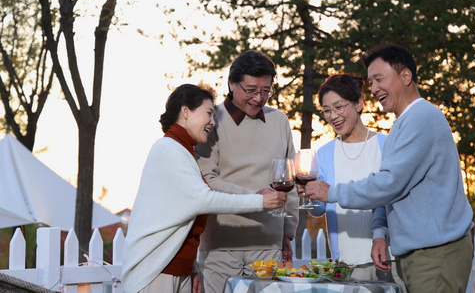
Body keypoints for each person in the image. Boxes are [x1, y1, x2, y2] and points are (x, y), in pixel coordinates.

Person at [304, 43, 474, 293]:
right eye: (371, 82)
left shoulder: (420, 119)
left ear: (406, 76)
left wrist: (331, 192)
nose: (373, 88)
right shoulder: (405, 123)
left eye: (379, 79)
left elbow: (388, 184)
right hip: (423, 253)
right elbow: (393, 193)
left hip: (435, 253)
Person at [122, 84, 287, 293]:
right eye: (209, 114)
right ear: (185, 111)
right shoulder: (167, 148)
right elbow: (203, 200)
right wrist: (260, 201)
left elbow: (178, 219)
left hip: (176, 271)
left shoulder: (184, 151)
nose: (212, 122)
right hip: (155, 272)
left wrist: (191, 268)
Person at [195, 51, 298, 293]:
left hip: (268, 244)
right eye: (251, 90)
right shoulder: (211, 120)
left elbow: (289, 180)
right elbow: (206, 180)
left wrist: (288, 233)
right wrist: (256, 199)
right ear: (232, 84)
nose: (258, 98)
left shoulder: (280, 121)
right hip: (220, 245)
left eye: (266, 90)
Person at [300, 73, 394, 280]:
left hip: (387, 257)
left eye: (339, 106)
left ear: (359, 103)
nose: (333, 116)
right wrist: (309, 195)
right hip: (345, 265)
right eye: (326, 110)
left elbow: (390, 199)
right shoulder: (323, 153)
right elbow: (319, 210)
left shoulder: (386, 145)